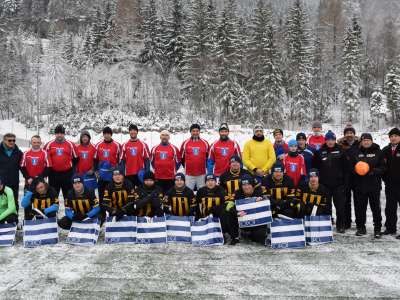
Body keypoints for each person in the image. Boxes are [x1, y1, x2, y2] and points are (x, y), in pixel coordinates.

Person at [313, 130, 349, 233]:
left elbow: (346, 169)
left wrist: (345, 183)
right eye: (328, 139)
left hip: (339, 185)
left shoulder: (341, 150)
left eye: (332, 139)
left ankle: (340, 225)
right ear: (325, 140)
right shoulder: (319, 152)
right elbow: (315, 168)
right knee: (326, 207)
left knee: (340, 207)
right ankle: (327, 224)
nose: (330, 141)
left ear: (335, 140)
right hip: (325, 185)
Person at [350, 133, 385, 238]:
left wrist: (373, 171)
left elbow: (383, 168)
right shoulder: (356, 152)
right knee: (360, 208)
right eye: (364, 140)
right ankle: (361, 228)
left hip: (373, 185)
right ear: (361, 141)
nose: (366, 142)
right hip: (359, 186)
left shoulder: (378, 152)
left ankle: (377, 229)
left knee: (376, 208)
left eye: (368, 140)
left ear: (371, 141)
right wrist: (356, 171)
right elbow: (350, 167)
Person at [196, 174, 238, 244]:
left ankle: (226, 233)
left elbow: (224, 205)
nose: (210, 182)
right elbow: (197, 205)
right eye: (208, 181)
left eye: (212, 180)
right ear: (205, 182)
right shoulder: (201, 191)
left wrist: (213, 209)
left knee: (225, 212)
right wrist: (198, 218)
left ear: (215, 182)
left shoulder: (221, 190)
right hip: (205, 218)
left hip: (217, 218)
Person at [44, 124, 77, 199]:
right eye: (57, 133)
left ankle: (69, 210)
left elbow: (76, 158)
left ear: (64, 134)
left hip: (67, 175)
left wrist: (71, 169)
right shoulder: (48, 145)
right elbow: (44, 160)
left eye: (61, 133)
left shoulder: (70, 144)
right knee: (53, 196)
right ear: (55, 134)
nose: (59, 135)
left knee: (69, 196)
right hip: (53, 175)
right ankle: (54, 211)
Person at [338, 123, 359, 229]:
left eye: (351, 132)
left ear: (354, 134)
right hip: (346, 177)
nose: (349, 134)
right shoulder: (341, 145)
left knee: (358, 200)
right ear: (344, 135)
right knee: (346, 201)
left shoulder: (359, 144)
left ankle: (360, 222)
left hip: (358, 177)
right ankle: (347, 221)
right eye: (347, 133)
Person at [234, 175, 267, 245]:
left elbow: (269, 203)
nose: (246, 187)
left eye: (248, 184)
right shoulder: (237, 193)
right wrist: (236, 213)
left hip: (258, 224)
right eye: (244, 185)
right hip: (243, 222)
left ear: (252, 185)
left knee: (259, 238)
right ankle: (236, 236)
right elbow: (230, 208)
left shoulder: (259, 191)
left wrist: (262, 200)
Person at [382, 128, 400, 237]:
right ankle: (390, 228)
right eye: (391, 136)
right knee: (390, 208)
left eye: (396, 136)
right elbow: (382, 165)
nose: (393, 138)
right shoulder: (385, 150)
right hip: (390, 185)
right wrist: (385, 179)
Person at [95, 126, 121, 201]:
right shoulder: (98, 145)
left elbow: (120, 160)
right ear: (103, 135)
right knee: (101, 195)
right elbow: (95, 159)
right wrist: (96, 171)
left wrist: (118, 170)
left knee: (112, 195)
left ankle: (112, 212)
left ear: (111, 134)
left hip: (112, 175)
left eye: (108, 133)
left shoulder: (117, 145)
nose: (106, 135)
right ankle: (102, 212)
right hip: (101, 176)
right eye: (105, 133)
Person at [180, 124, 209, 190]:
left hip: (202, 174)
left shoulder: (205, 143)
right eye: (193, 131)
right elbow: (181, 158)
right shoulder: (185, 143)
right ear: (190, 132)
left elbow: (208, 157)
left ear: (199, 132)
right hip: (189, 174)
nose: (195, 133)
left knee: (202, 193)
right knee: (188, 193)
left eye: (197, 131)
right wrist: (187, 167)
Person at [0, 133, 22, 211]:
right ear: (4, 140)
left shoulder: (18, 152)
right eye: (10, 140)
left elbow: (22, 167)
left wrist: (28, 176)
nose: (12, 142)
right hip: (2, 183)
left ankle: (14, 221)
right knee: (1, 203)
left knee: (14, 202)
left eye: (13, 140)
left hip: (14, 183)